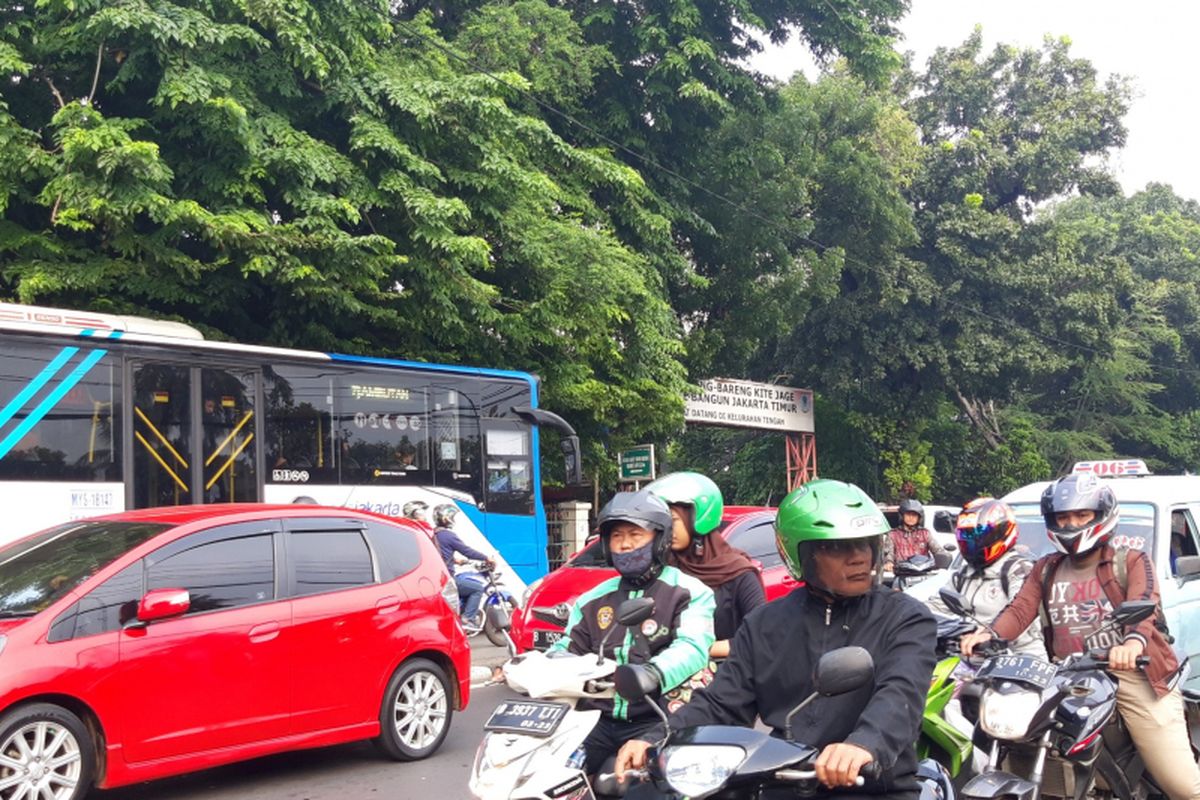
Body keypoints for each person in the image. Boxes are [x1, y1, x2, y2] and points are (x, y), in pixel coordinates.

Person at [615, 479, 936, 797]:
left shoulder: (906, 619)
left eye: (864, 543)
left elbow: (900, 693)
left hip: (870, 786)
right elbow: (721, 702)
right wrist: (657, 737)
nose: (859, 557)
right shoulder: (764, 624)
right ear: (802, 555)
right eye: (837, 547)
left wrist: (864, 744)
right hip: (782, 780)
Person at [961, 472, 1200, 800]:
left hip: (1135, 675)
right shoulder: (1045, 568)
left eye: (1081, 515)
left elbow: (1144, 608)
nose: (1071, 524)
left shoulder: (1129, 561)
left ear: (1101, 517)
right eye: (1063, 516)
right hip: (1068, 677)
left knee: (1184, 787)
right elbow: (1019, 610)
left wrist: (1132, 644)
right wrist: (987, 634)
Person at [548, 489, 715, 776]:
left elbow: (693, 647)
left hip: (659, 715)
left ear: (659, 539)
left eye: (635, 535)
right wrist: (544, 666)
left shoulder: (688, 592)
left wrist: (650, 674)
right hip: (595, 718)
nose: (624, 545)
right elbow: (568, 647)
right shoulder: (592, 600)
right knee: (549, 776)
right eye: (616, 536)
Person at [646, 471, 764, 659]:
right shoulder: (662, 569)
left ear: (698, 518)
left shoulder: (738, 572)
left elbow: (760, 636)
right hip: (666, 674)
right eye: (662, 522)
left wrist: (696, 650)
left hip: (726, 673)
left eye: (673, 520)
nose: (667, 529)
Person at [927, 498, 1044, 656]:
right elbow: (934, 607)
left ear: (1001, 532)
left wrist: (988, 634)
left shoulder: (1019, 571)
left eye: (978, 535)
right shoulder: (963, 575)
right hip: (971, 657)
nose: (972, 541)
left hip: (1019, 659)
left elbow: (1020, 617)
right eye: (967, 535)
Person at [431, 503, 495, 624]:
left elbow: (440, 552)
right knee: (477, 589)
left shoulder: (434, 534)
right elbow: (467, 551)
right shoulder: (448, 535)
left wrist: (456, 560)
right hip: (447, 579)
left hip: (437, 578)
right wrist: (486, 558)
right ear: (446, 518)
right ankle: (468, 618)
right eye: (452, 516)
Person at [882, 498, 946, 574]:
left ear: (919, 518)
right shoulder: (893, 534)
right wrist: (889, 563)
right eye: (908, 514)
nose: (911, 518)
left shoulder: (925, 533)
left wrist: (943, 558)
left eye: (914, 515)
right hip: (901, 573)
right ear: (902, 516)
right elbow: (888, 553)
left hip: (922, 572)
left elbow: (937, 550)